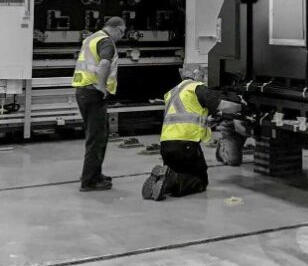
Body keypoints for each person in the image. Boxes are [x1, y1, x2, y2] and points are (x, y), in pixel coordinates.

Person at [141, 70, 243, 201]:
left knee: (179, 173)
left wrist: (206, 122)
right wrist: (243, 106)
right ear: (195, 76)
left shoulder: (171, 92)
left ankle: (165, 182)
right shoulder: (197, 88)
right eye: (202, 75)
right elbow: (223, 105)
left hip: (166, 146)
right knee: (200, 181)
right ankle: (172, 179)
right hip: (186, 146)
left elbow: (183, 117)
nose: (205, 78)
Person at [72, 17, 126, 192]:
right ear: (116, 28)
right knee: (96, 138)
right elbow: (104, 63)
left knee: (97, 135)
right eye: (122, 32)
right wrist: (102, 86)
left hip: (83, 91)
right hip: (93, 93)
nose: (122, 36)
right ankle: (89, 181)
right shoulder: (106, 42)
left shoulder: (92, 38)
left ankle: (94, 174)